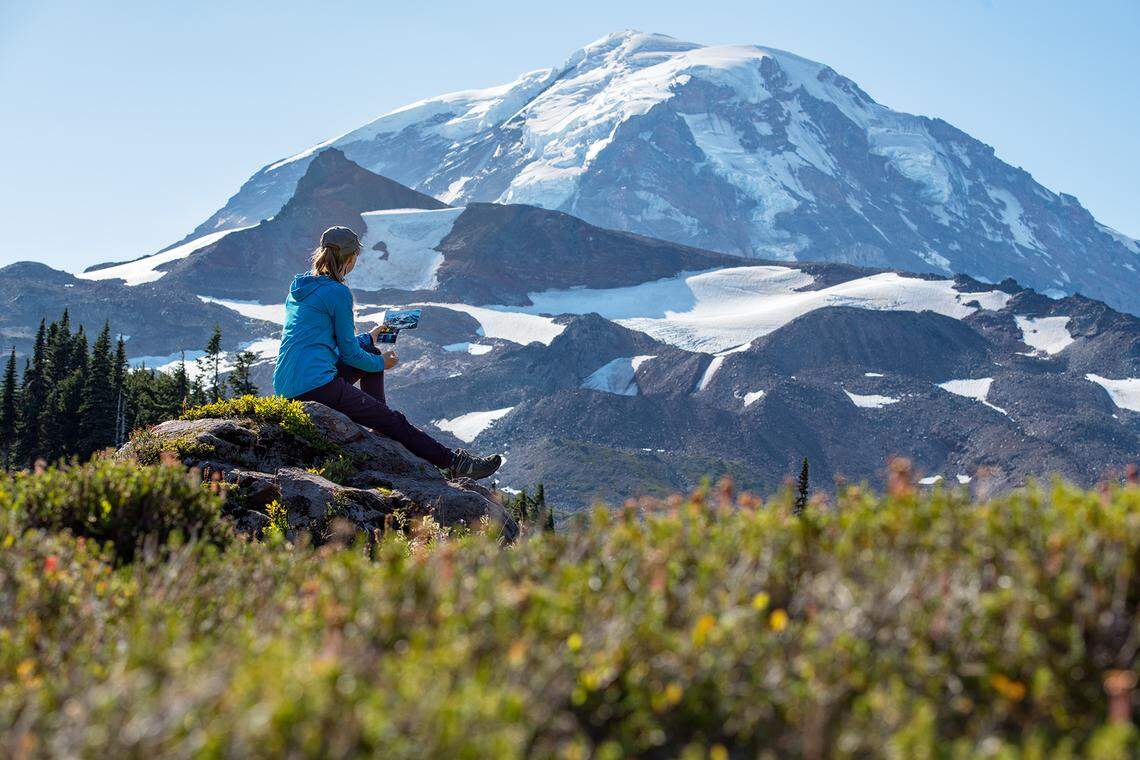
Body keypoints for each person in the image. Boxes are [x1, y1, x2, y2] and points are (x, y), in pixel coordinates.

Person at [272, 226, 502, 479]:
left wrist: (370, 336)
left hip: (287, 385)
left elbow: (322, 341)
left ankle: (379, 420)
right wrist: (381, 363)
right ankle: (456, 464)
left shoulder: (300, 288)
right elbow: (349, 356)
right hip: (316, 386)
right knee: (396, 420)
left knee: (369, 347)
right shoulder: (337, 292)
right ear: (349, 258)